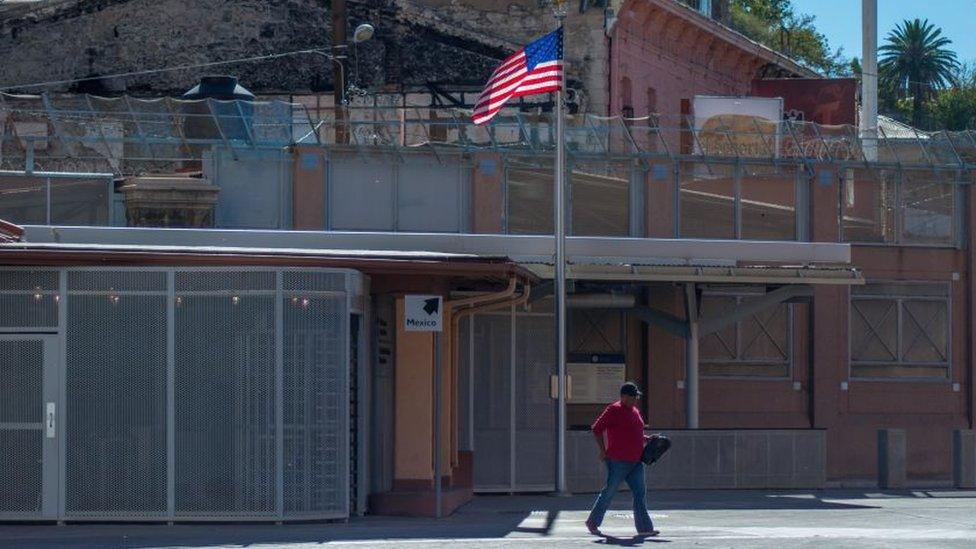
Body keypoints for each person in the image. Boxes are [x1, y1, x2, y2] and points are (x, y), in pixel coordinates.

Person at [585, 381, 658, 537]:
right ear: (623, 396)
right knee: (609, 492)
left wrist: (646, 438)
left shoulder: (635, 411)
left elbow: (634, 432)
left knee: (640, 494)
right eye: (633, 397)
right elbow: (596, 429)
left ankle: (645, 528)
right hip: (618, 460)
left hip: (636, 460)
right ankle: (592, 522)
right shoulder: (613, 410)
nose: (635, 399)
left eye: (636, 397)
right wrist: (603, 450)